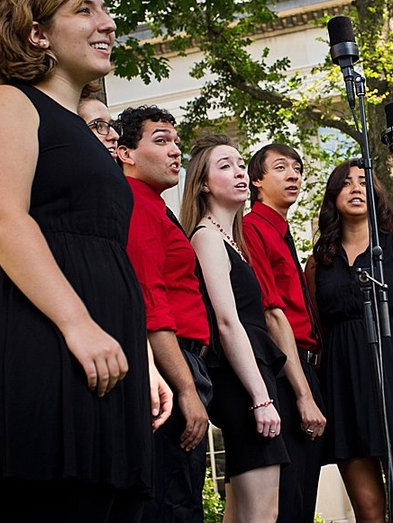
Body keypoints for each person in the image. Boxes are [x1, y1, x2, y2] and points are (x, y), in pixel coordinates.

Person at [0, 0, 154, 522]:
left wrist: (141, 356)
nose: (107, 22)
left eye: (104, 8)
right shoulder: (6, 103)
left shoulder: (81, 129)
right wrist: (79, 325)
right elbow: (0, 218)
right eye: (85, 10)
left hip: (102, 354)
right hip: (45, 343)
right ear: (36, 33)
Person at [306, 161, 393, 522]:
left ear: (375, 193)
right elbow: (319, 330)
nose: (355, 188)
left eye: (363, 181)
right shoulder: (317, 262)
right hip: (343, 384)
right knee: (367, 509)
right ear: (333, 197)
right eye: (345, 183)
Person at [179, 134, 289, 522]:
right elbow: (227, 323)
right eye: (225, 166)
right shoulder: (207, 239)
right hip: (243, 383)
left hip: (248, 379)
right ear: (203, 183)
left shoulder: (230, 239)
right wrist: (261, 397)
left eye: (241, 164)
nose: (240, 172)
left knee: (242, 513)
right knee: (262, 515)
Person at [116, 106, 213, 523]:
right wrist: (187, 389)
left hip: (186, 359)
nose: (175, 151)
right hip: (172, 366)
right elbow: (150, 305)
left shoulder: (155, 207)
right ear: (125, 154)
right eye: (160, 141)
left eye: (175, 141)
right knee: (174, 506)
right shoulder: (136, 206)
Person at [243, 144, 327, 522]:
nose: (293, 174)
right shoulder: (252, 228)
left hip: (305, 367)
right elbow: (272, 315)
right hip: (284, 374)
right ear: (257, 180)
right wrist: (304, 395)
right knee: (289, 503)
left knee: (304, 498)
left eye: (297, 167)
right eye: (281, 168)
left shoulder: (282, 232)